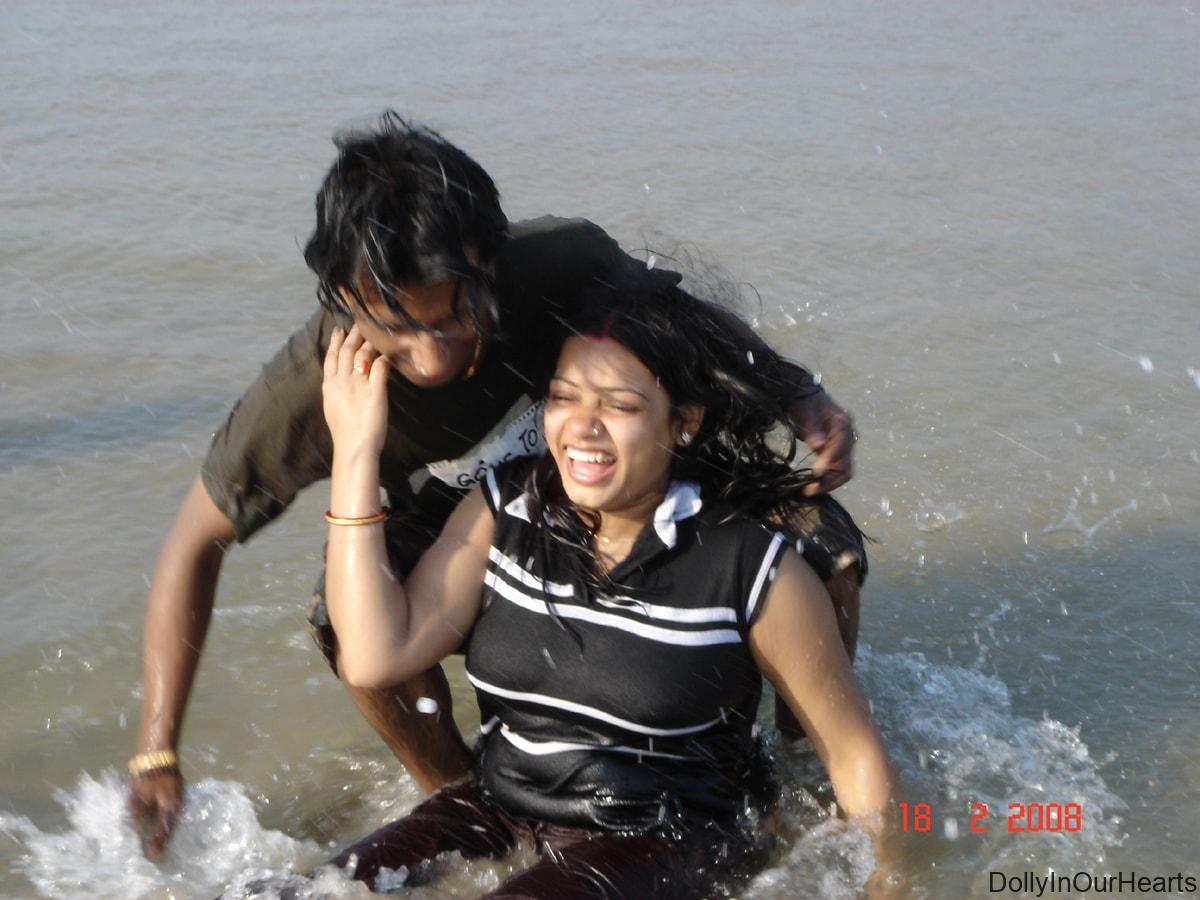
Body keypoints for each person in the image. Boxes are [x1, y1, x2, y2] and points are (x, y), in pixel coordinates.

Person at [127, 112, 865, 859]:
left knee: (823, 542)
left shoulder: (553, 263)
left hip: (617, 468)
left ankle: (802, 765)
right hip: (473, 527)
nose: (431, 358)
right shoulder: (310, 389)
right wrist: (157, 751)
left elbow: (674, 322)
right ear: (345, 298)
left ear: (490, 260)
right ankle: (458, 796)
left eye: (455, 319)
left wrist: (796, 391)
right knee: (338, 615)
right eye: (397, 331)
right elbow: (193, 545)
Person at [301, 271, 894, 898]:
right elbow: (375, 656)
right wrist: (356, 449)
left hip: (666, 835)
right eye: (565, 398)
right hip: (498, 807)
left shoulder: (752, 569)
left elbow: (854, 754)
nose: (582, 428)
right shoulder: (505, 508)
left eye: (619, 406)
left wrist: (893, 881)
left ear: (684, 422)